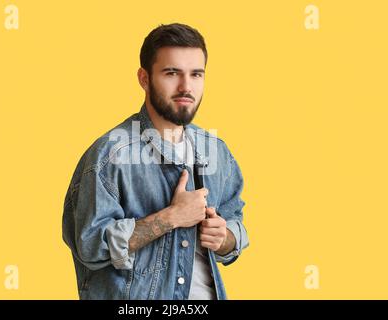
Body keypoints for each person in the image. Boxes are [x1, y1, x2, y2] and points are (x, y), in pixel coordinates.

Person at [62, 23, 249, 300]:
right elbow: (89, 245)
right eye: (172, 73)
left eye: (196, 74)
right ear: (144, 78)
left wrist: (224, 238)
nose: (186, 87)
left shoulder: (216, 151)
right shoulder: (110, 155)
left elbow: (236, 225)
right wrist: (169, 218)